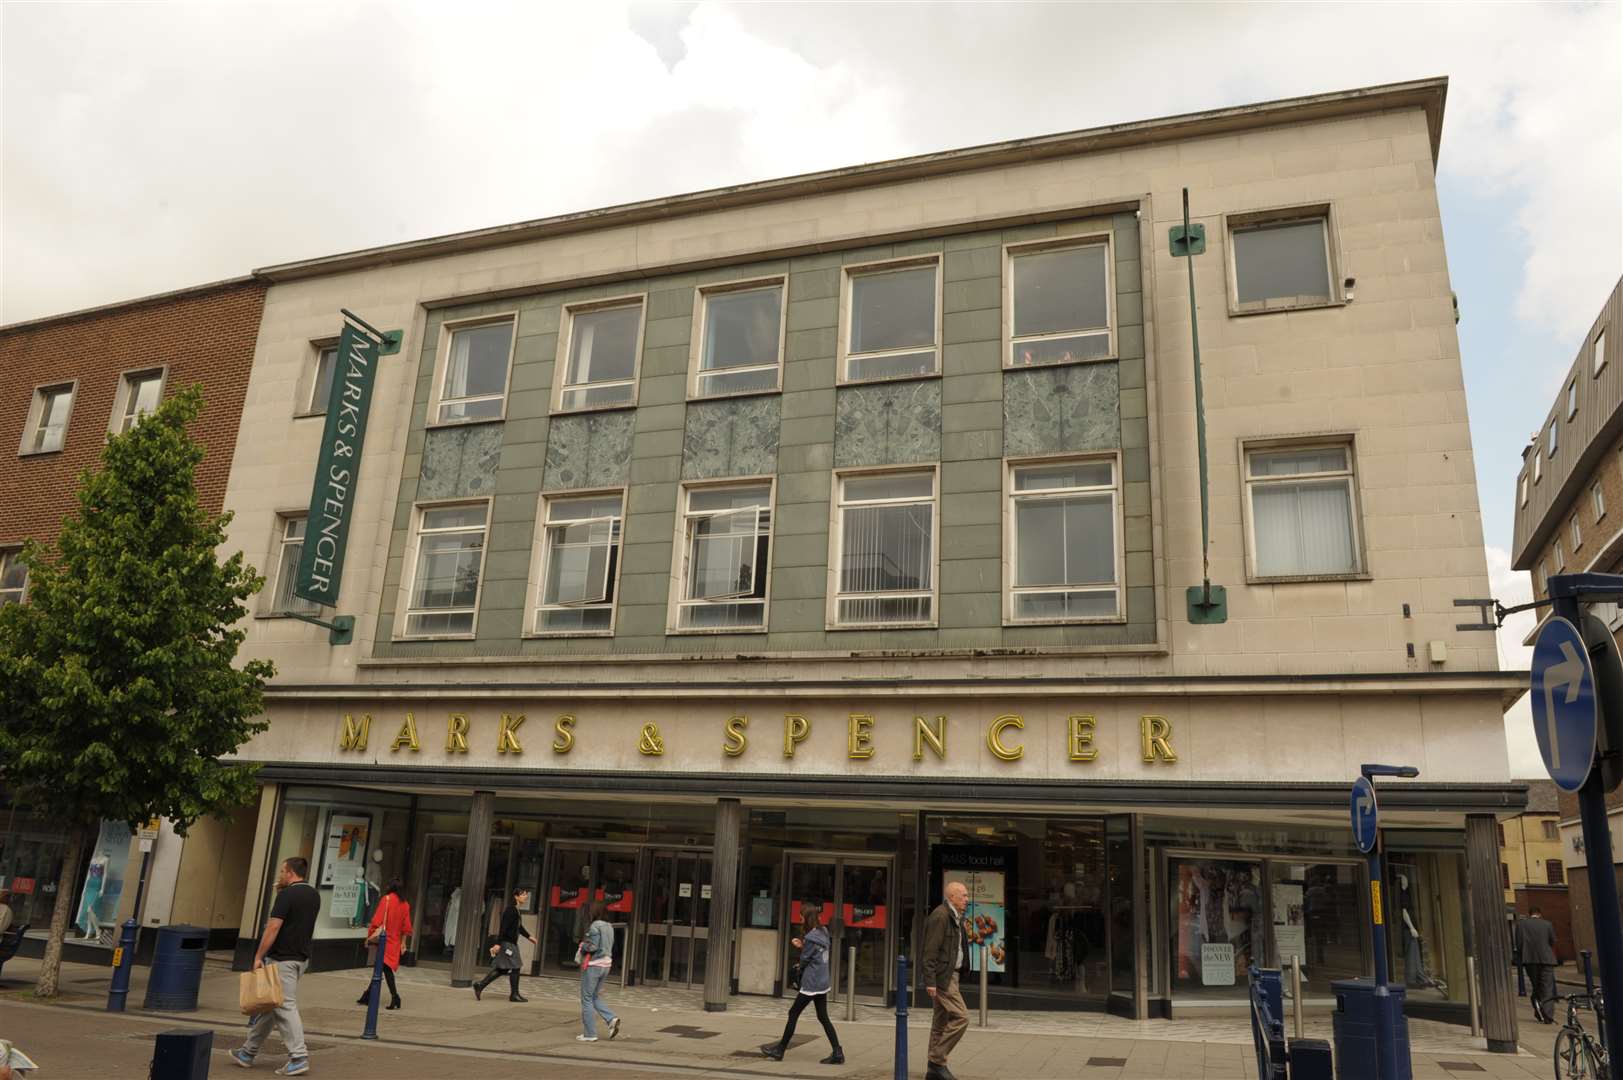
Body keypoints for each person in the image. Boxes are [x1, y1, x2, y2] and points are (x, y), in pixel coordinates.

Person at [232, 857, 320, 1076]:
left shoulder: (287, 895)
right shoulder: (313, 894)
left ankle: (299, 1057)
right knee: (270, 1007)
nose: (280, 875)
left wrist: (258, 955)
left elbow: (273, 928)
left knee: (285, 1006)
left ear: (290, 873)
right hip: (301, 958)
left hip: (283, 959)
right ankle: (247, 1052)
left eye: (282, 871)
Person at [760, 903, 842, 1064]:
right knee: (823, 1016)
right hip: (823, 980)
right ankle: (837, 1052)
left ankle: (780, 1050)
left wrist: (801, 952)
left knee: (793, 1013)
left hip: (811, 983)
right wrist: (803, 946)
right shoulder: (823, 932)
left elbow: (805, 959)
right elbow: (816, 954)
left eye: (801, 917)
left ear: (806, 919)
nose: (799, 920)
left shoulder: (811, 938)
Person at [921, 882, 971, 1080]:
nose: (967, 899)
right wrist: (930, 980)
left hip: (952, 974)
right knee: (962, 1017)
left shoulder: (955, 917)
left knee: (940, 1022)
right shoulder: (941, 916)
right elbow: (930, 950)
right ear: (952, 897)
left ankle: (934, 1071)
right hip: (943, 976)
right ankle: (936, 1059)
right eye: (964, 896)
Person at [356, 878, 412, 1011]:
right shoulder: (405, 904)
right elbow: (406, 927)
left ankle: (394, 996)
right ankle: (369, 995)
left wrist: (369, 936)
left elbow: (377, 920)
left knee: (384, 969)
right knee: (381, 968)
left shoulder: (386, 900)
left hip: (384, 939)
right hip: (395, 941)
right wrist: (403, 943)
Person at [473, 886, 533, 1002]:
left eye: (526, 894)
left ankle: (480, 985)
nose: (525, 896)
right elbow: (503, 928)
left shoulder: (516, 910)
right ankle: (514, 995)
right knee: (516, 967)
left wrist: (529, 937)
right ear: (516, 896)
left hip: (510, 943)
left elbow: (519, 927)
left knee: (503, 969)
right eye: (523, 894)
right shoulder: (510, 910)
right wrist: (498, 944)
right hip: (508, 944)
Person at [576, 899, 622, 1042]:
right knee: (594, 996)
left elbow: (592, 947)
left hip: (594, 965)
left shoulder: (594, 926)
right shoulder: (609, 926)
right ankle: (611, 1019)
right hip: (606, 964)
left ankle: (590, 1034)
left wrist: (583, 945)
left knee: (587, 999)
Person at [1516, 907, 1559, 1023]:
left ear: (1529, 914)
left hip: (1529, 960)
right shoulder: (1547, 924)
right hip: (1546, 959)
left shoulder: (1521, 925)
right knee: (1547, 987)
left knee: (1536, 986)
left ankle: (1539, 1010)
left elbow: (1519, 944)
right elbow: (1553, 941)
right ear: (1540, 914)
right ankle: (1548, 1015)